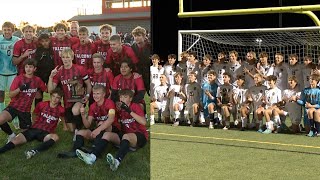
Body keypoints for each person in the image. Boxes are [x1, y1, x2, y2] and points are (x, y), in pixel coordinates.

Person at [58, 85, 118, 162]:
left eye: (98, 93)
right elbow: (88, 125)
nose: (95, 96)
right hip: (99, 130)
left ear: (103, 94)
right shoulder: (93, 106)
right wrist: (83, 115)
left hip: (112, 129)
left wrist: (98, 130)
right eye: (94, 93)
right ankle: (75, 151)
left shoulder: (109, 103)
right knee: (80, 132)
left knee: (101, 123)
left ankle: (94, 151)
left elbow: (111, 119)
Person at [0, 88, 64, 159]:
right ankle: (1, 150)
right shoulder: (42, 104)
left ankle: (33, 151)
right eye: (53, 96)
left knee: (55, 137)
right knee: (16, 140)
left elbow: (64, 119)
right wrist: (34, 122)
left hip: (45, 133)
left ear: (60, 99)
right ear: (50, 96)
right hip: (34, 129)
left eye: (57, 98)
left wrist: (65, 126)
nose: (55, 99)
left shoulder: (61, 110)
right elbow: (34, 114)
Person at [0, 58, 46, 142]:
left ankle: (23, 132)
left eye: (30, 67)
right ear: (24, 68)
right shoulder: (18, 78)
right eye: (26, 67)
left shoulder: (37, 80)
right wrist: (20, 89)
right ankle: (11, 135)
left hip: (25, 111)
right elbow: (10, 94)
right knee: (1, 119)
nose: (28, 69)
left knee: (26, 135)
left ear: (35, 69)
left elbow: (47, 90)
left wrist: (51, 77)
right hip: (14, 106)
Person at [48, 48, 92, 136]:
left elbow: (88, 84)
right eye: (63, 57)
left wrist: (87, 95)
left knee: (75, 110)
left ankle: (78, 132)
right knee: (71, 128)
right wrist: (51, 77)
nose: (65, 59)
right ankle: (82, 118)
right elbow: (51, 90)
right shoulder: (59, 71)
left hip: (79, 98)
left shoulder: (80, 69)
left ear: (72, 57)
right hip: (67, 101)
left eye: (67, 57)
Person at [105, 89, 148, 171]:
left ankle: (116, 161)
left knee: (126, 136)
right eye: (121, 97)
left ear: (130, 99)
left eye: (125, 97)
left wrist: (129, 110)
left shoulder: (135, 106)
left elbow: (143, 122)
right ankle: (93, 155)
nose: (122, 99)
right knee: (107, 135)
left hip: (139, 136)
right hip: (125, 136)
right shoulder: (119, 108)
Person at [0, 22, 20, 113]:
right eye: (5, 30)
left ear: (13, 31)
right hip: (1, 72)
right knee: (0, 95)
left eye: (9, 30)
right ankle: (1, 115)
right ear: (2, 30)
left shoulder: (17, 40)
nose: (7, 32)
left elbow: (28, 40)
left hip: (13, 72)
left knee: (14, 96)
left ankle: (15, 118)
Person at [34, 33, 55, 107]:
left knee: (53, 93)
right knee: (38, 94)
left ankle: (54, 112)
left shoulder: (52, 49)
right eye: (42, 41)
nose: (45, 43)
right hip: (40, 74)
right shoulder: (38, 50)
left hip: (51, 74)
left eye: (46, 41)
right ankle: (37, 112)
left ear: (49, 40)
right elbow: (36, 62)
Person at [131, 26, 151, 97]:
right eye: (135, 36)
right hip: (138, 74)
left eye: (139, 35)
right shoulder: (133, 47)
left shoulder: (150, 46)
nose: (136, 38)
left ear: (144, 36)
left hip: (150, 74)